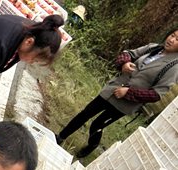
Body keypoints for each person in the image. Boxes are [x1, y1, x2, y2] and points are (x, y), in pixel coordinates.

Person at [56, 28, 178, 158]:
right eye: (172, 35)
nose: (171, 40)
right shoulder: (153, 48)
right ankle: (60, 136)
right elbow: (129, 53)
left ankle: (92, 146)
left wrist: (129, 92)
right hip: (112, 89)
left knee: (97, 124)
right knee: (86, 113)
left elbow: (156, 94)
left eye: (177, 40)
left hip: (124, 104)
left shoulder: (173, 68)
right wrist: (124, 63)